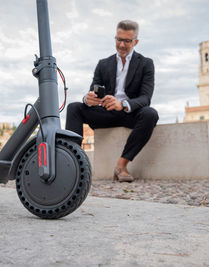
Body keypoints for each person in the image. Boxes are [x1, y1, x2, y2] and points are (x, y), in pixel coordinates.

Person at [66, 19, 158, 182]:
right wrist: (88, 99)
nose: (122, 45)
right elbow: (93, 88)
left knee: (150, 114)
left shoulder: (146, 64)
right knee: (74, 107)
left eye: (127, 41)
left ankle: (121, 165)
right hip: (105, 113)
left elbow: (145, 98)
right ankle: (71, 163)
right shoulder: (103, 64)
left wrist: (121, 104)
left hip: (129, 114)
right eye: (119, 39)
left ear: (135, 42)